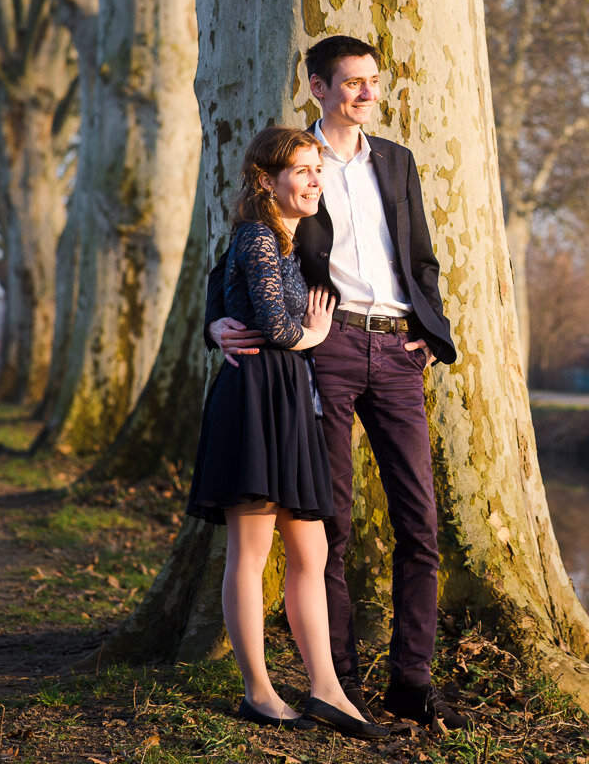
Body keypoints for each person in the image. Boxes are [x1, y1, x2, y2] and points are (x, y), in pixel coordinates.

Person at [205, 36, 465, 730]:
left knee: (420, 524)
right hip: (327, 345)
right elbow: (237, 252)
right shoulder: (298, 163)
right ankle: (337, 679)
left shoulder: (398, 162)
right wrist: (215, 325)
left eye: (373, 82)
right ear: (318, 86)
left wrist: (432, 337)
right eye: (352, 83)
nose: (366, 94)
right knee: (329, 523)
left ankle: (412, 681)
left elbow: (421, 259)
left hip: (399, 348)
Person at [186, 126, 387, 741]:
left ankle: (326, 689)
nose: (314, 180)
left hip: (289, 397)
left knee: (312, 550)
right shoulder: (256, 235)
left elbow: (229, 299)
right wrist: (313, 336)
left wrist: (238, 323)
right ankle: (259, 692)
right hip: (254, 397)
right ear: (266, 180)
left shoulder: (286, 239)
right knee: (250, 554)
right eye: (300, 171)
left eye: (316, 170)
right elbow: (274, 324)